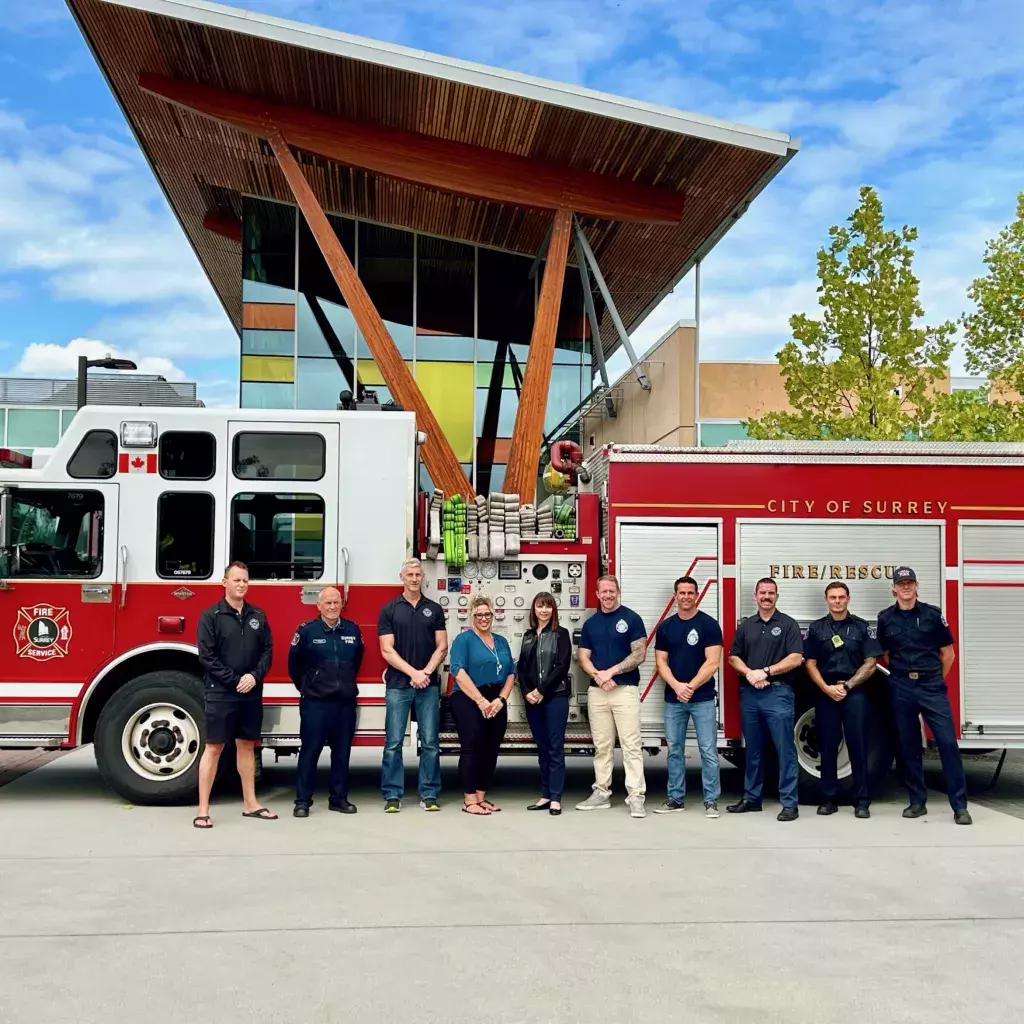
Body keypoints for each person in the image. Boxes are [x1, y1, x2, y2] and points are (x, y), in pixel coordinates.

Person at [877, 566, 971, 825]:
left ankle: (960, 806)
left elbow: (948, 654)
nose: (906, 587)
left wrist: (935, 679)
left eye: (910, 583)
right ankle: (917, 802)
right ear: (894, 588)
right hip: (901, 687)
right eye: (901, 583)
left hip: (931, 685)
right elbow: (885, 655)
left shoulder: (932, 615)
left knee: (947, 744)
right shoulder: (885, 619)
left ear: (917, 586)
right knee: (908, 747)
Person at [194, 561, 276, 828]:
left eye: (245, 581)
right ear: (224, 583)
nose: (242, 584)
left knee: (246, 746)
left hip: (250, 693)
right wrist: (235, 680)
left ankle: (251, 803)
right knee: (214, 747)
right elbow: (207, 657)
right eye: (236, 580)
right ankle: (203, 810)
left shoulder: (258, 615)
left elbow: (267, 651)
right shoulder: (210, 616)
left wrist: (254, 677)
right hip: (221, 693)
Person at [726, 577, 804, 821]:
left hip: (777, 693)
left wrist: (766, 671)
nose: (766, 596)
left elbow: (796, 658)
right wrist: (750, 673)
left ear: (777, 596)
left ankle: (790, 803)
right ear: (755, 596)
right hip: (750, 694)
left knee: (785, 750)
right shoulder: (747, 625)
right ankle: (752, 799)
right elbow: (733, 657)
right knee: (754, 750)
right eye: (762, 592)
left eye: (771, 593)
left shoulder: (788, 624)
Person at [804, 582, 882, 818]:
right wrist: (826, 688)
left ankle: (862, 801)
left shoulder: (861, 627)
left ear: (849, 599)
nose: (837, 601)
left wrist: (848, 686)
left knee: (857, 745)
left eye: (841, 597)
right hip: (826, 691)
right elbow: (810, 663)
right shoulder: (816, 629)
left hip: (854, 692)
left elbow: (871, 662)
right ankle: (829, 799)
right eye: (832, 597)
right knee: (827, 746)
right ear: (826, 600)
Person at [575, 575, 649, 818]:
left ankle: (636, 796)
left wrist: (611, 672)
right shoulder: (591, 624)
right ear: (597, 594)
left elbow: (639, 654)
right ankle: (601, 793)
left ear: (619, 591)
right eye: (603, 591)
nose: (607, 595)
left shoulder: (631, 618)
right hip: (598, 692)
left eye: (611, 591)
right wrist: (598, 676)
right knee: (602, 747)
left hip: (625, 691)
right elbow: (583, 656)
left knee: (631, 746)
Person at [378, 558, 448, 812]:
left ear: (423, 578)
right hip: (398, 685)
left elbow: (442, 645)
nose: (415, 579)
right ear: (402, 577)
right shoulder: (389, 610)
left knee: (430, 742)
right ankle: (392, 796)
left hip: (427, 686)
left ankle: (429, 794)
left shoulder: (434, 609)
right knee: (393, 742)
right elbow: (387, 650)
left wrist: (426, 672)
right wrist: (413, 673)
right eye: (410, 575)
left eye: (418, 575)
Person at [289, 586, 364, 818]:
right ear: (318, 606)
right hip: (316, 704)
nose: (332, 607)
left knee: (342, 754)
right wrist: (308, 687)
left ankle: (339, 799)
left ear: (342, 604)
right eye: (328, 603)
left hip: (345, 704)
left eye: (336, 602)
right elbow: (294, 666)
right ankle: (302, 801)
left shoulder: (352, 630)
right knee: (310, 752)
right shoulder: (307, 631)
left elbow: (357, 660)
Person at [653, 576, 723, 818]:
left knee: (708, 750)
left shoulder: (709, 625)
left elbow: (713, 662)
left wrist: (690, 687)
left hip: (702, 698)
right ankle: (675, 798)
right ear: (675, 596)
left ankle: (711, 800)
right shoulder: (666, 627)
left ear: (696, 595)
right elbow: (660, 663)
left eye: (690, 593)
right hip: (674, 700)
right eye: (681, 593)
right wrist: (677, 686)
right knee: (674, 749)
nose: (685, 597)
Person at [448, 595, 515, 815]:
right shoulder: (464, 639)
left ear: (493, 615)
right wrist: (480, 700)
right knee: (472, 748)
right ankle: (469, 801)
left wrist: (501, 700)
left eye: (487, 614)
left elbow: (511, 673)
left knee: (491, 749)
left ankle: (481, 797)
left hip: (496, 698)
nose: (484, 618)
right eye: (479, 615)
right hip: (469, 697)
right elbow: (457, 671)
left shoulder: (501, 641)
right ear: (472, 616)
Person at [517, 592, 573, 815]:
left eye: (548, 606)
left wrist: (541, 691)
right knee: (542, 749)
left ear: (554, 610)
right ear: (534, 610)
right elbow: (521, 668)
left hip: (555, 698)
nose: (544, 611)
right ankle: (545, 795)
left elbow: (562, 666)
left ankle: (556, 798)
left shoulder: (561, 634)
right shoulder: (529, 635)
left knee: (555, 748)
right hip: (533, 701)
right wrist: (527, 693)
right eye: (540, 606)